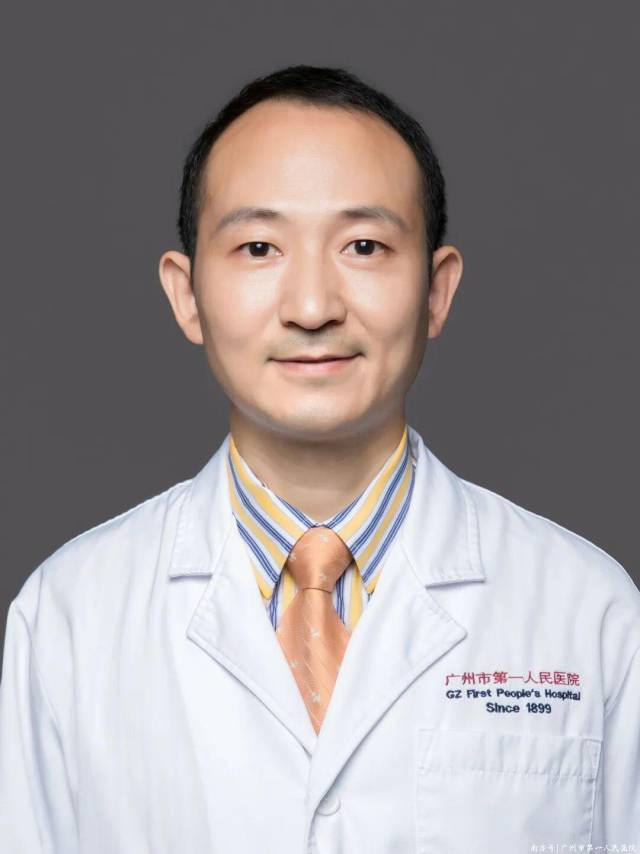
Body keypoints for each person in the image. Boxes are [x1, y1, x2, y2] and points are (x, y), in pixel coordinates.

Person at [0, 64, 638, 853]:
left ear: (436, 290)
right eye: (258, 247)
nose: (311, 307)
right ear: (187, 294)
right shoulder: (69, 617)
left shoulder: (589, 611)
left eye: (364, 246)